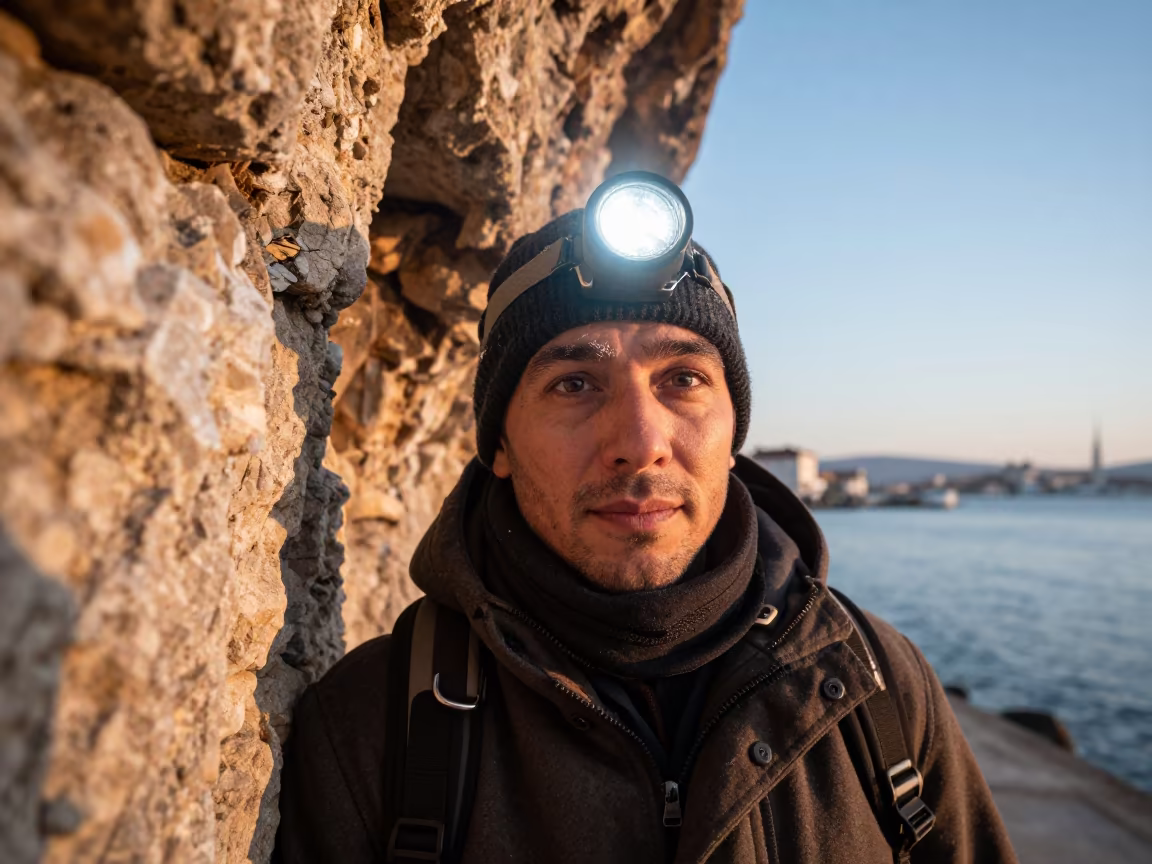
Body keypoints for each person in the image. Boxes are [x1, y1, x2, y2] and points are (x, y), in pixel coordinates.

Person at [272, 173, 1018, 863]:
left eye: (684, 379)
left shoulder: (879, 687)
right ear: (498, 442)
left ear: (734, 431)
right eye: (573, 383)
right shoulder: (374, 729)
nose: (638, 443)